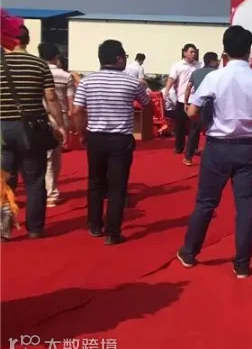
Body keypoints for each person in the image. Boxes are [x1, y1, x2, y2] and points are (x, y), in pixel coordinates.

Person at [176, 26, 252, 279]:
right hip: (246, 148)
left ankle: (189, 253)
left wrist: (205, 123)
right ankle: (242, 264)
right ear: (249, 51)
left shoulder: (214, 77)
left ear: (225, 50)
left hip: (217, 147)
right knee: (245, 207)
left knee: (206, 202)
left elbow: (192, 111)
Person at [71, 40, 150, 245]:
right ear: (118, 58)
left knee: (95, 182)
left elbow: (77, 110)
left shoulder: (87, 82)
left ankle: (94, 225)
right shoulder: (131, 82)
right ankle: (112, 233)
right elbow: (146, 103)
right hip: (120, 139)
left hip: (95, 137)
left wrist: (82, 134)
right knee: (117, 186)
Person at [0, 17, 66, 238]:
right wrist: (60, 125)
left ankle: (4, 227)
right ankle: (35, 228)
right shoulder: (39, 65)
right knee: (35, 180)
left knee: (3, 180)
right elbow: (51, 98)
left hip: (2, 129)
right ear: (27, 40)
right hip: (31, 129)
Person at [38, 43, 75, 207]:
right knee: (54, 157)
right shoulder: (65, 76)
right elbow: (71, 100)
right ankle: (51, 192)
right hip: (60, 117)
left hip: (39, 117)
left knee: (42, 157)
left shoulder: (36, 72)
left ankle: (45, 190)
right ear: (56, 57)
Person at [181, 52, 219, 166]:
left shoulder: (196, 72)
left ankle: (188, 157)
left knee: (194, 131)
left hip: (197, 104)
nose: (218, 62)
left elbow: (188, 88)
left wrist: (186, 102)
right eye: (216, 60)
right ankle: (212, 158)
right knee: (213, 131)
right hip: (213, 105)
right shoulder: (217, 73)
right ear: (212, 61)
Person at [163, 44, 200, 155]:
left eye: (195, 52)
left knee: (195, 126)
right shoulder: (177, 65)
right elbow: (171, 79)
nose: (194, 54)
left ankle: (193, 148)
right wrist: (166, 91)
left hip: (195, 99)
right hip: (181, 99)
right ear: (185, 53)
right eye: (191, 52)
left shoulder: (199, 65)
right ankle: (179, 146)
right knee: (180, 125)